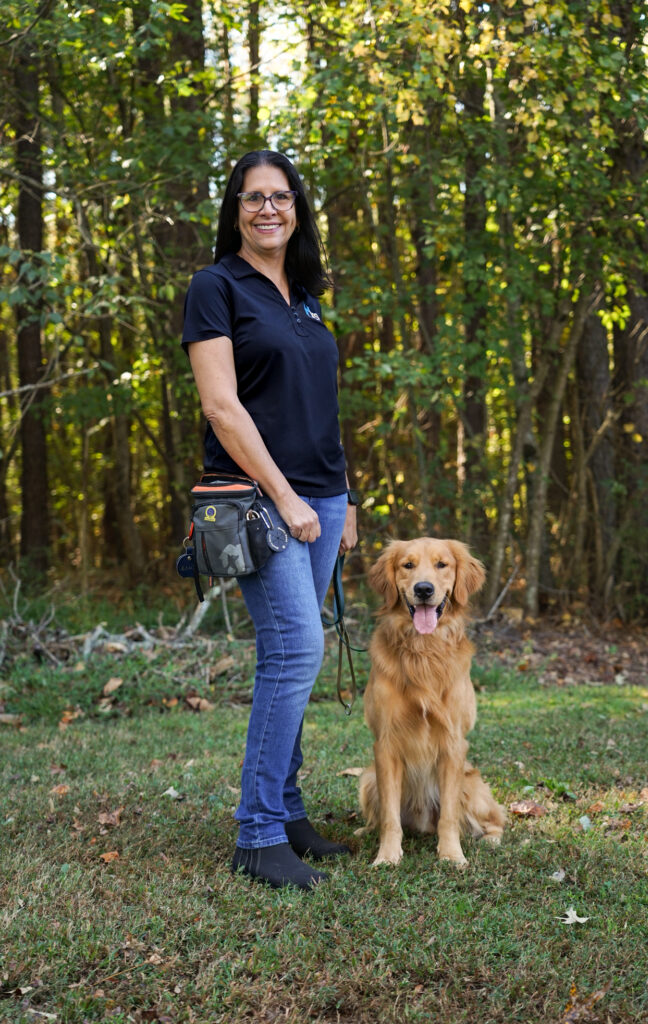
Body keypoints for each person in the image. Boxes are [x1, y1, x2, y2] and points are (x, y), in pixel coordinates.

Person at [181, 150, 358, 891]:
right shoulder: (214, 287)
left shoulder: (307, 294)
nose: (267, 210)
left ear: (297, 208)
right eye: (253, 199)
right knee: (295, 653)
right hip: (253, 499)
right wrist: (284, 496)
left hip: (320, 498)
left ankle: (286, 813)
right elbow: (222, 407)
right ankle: (256, 834)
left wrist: (343, 497)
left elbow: (322, 402)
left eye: (280, 198)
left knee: (292, 656)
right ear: (235, 210)